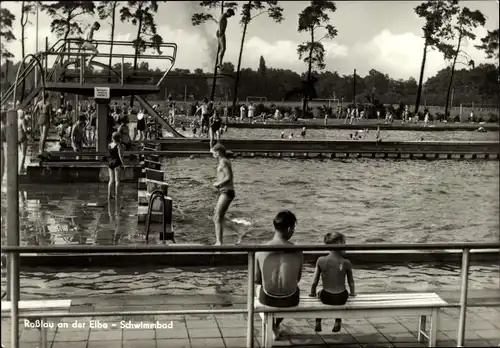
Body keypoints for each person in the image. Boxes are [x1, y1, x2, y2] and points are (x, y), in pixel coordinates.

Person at [255, 210, 303, 340]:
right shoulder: (298, 251)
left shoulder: (260, 250)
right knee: (291, 287)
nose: (293, 232)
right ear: (289, 228)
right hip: (291, 299)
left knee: (258, 288)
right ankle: (275, 325)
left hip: (268, 299)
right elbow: (297, 279)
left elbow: (257, 279)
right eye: (293, 228)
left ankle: (270, 326)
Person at [309, 232, 356, 333]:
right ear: (339, 244)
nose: (346, 246)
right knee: (343, 292)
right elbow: (351, 282)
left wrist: (312, 292)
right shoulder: (346, 262)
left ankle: (318, 320)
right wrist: (352, 293)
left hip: (326, 297)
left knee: (319, 292)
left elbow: (314, 281)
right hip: (341, 297)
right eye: (344, 243)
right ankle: (338, 321)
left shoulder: (321, 260)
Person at [211, 143, 235, 245]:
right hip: (223, 191)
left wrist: (218, 183)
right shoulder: (222, 161)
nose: (212, 155)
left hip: (227, 191)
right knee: (219, 217)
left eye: (213, 153)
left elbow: (229, 177)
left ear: (218, 152)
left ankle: (219, 243)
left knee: (217, 217)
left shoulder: (224, 162)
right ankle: (238, 230)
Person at [107, 132, 125, 200]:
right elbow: (120, 155)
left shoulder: (109, 145)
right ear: (119, 138)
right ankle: (117, 196)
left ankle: (109, 195)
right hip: (117, 163)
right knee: (117, 181)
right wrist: (123, 164)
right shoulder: (118, 145)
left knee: (111, 180)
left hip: (110, 163)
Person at [18, 107, 29, 173]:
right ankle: (22, 167)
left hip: (17, 137)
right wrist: (29, 130)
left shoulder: (16, 120)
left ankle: (20, 166)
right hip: (22, 137)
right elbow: (25, 130)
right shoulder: (23, 120)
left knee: (20, 152)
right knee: (24, 153)